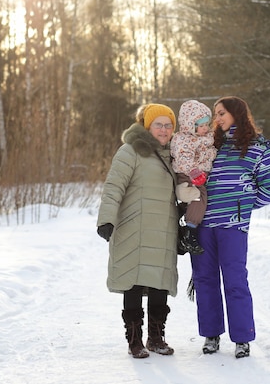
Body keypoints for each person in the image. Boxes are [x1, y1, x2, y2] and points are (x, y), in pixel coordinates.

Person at [191, 96, 270, 359]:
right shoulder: (210, 146)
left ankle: (242, 338)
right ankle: (211, 335)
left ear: (237, 113)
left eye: (221, 113)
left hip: (233, 227)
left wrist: (242, 208)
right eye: (215, 114)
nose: (217, 119)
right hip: (204, 225)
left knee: (235, 281)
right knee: (204, 280)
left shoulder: (258, 148)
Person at [96, 103, 179, 359]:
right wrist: (106, 219)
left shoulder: (175, 154)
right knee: (132, 283)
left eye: (168, 125)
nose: (164, 130)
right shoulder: (130, 151)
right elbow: (113, 187)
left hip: (164, 229)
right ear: (146, 125)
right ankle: (135, 341)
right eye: (158, 124)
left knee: (159, 285)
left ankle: (156, 338)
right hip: (134, 228)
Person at [170, 99, 217, 255]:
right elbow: (183, 159)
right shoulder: (184, 139)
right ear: (191, 126)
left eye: (206, 125)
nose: (205, 128)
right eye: (201, 126)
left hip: (200, 175)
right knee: (199, 197)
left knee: (191, 202)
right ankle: (190, 232)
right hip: (188, 175)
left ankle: (180, 230)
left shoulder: (206, 137)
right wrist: (194, 172)